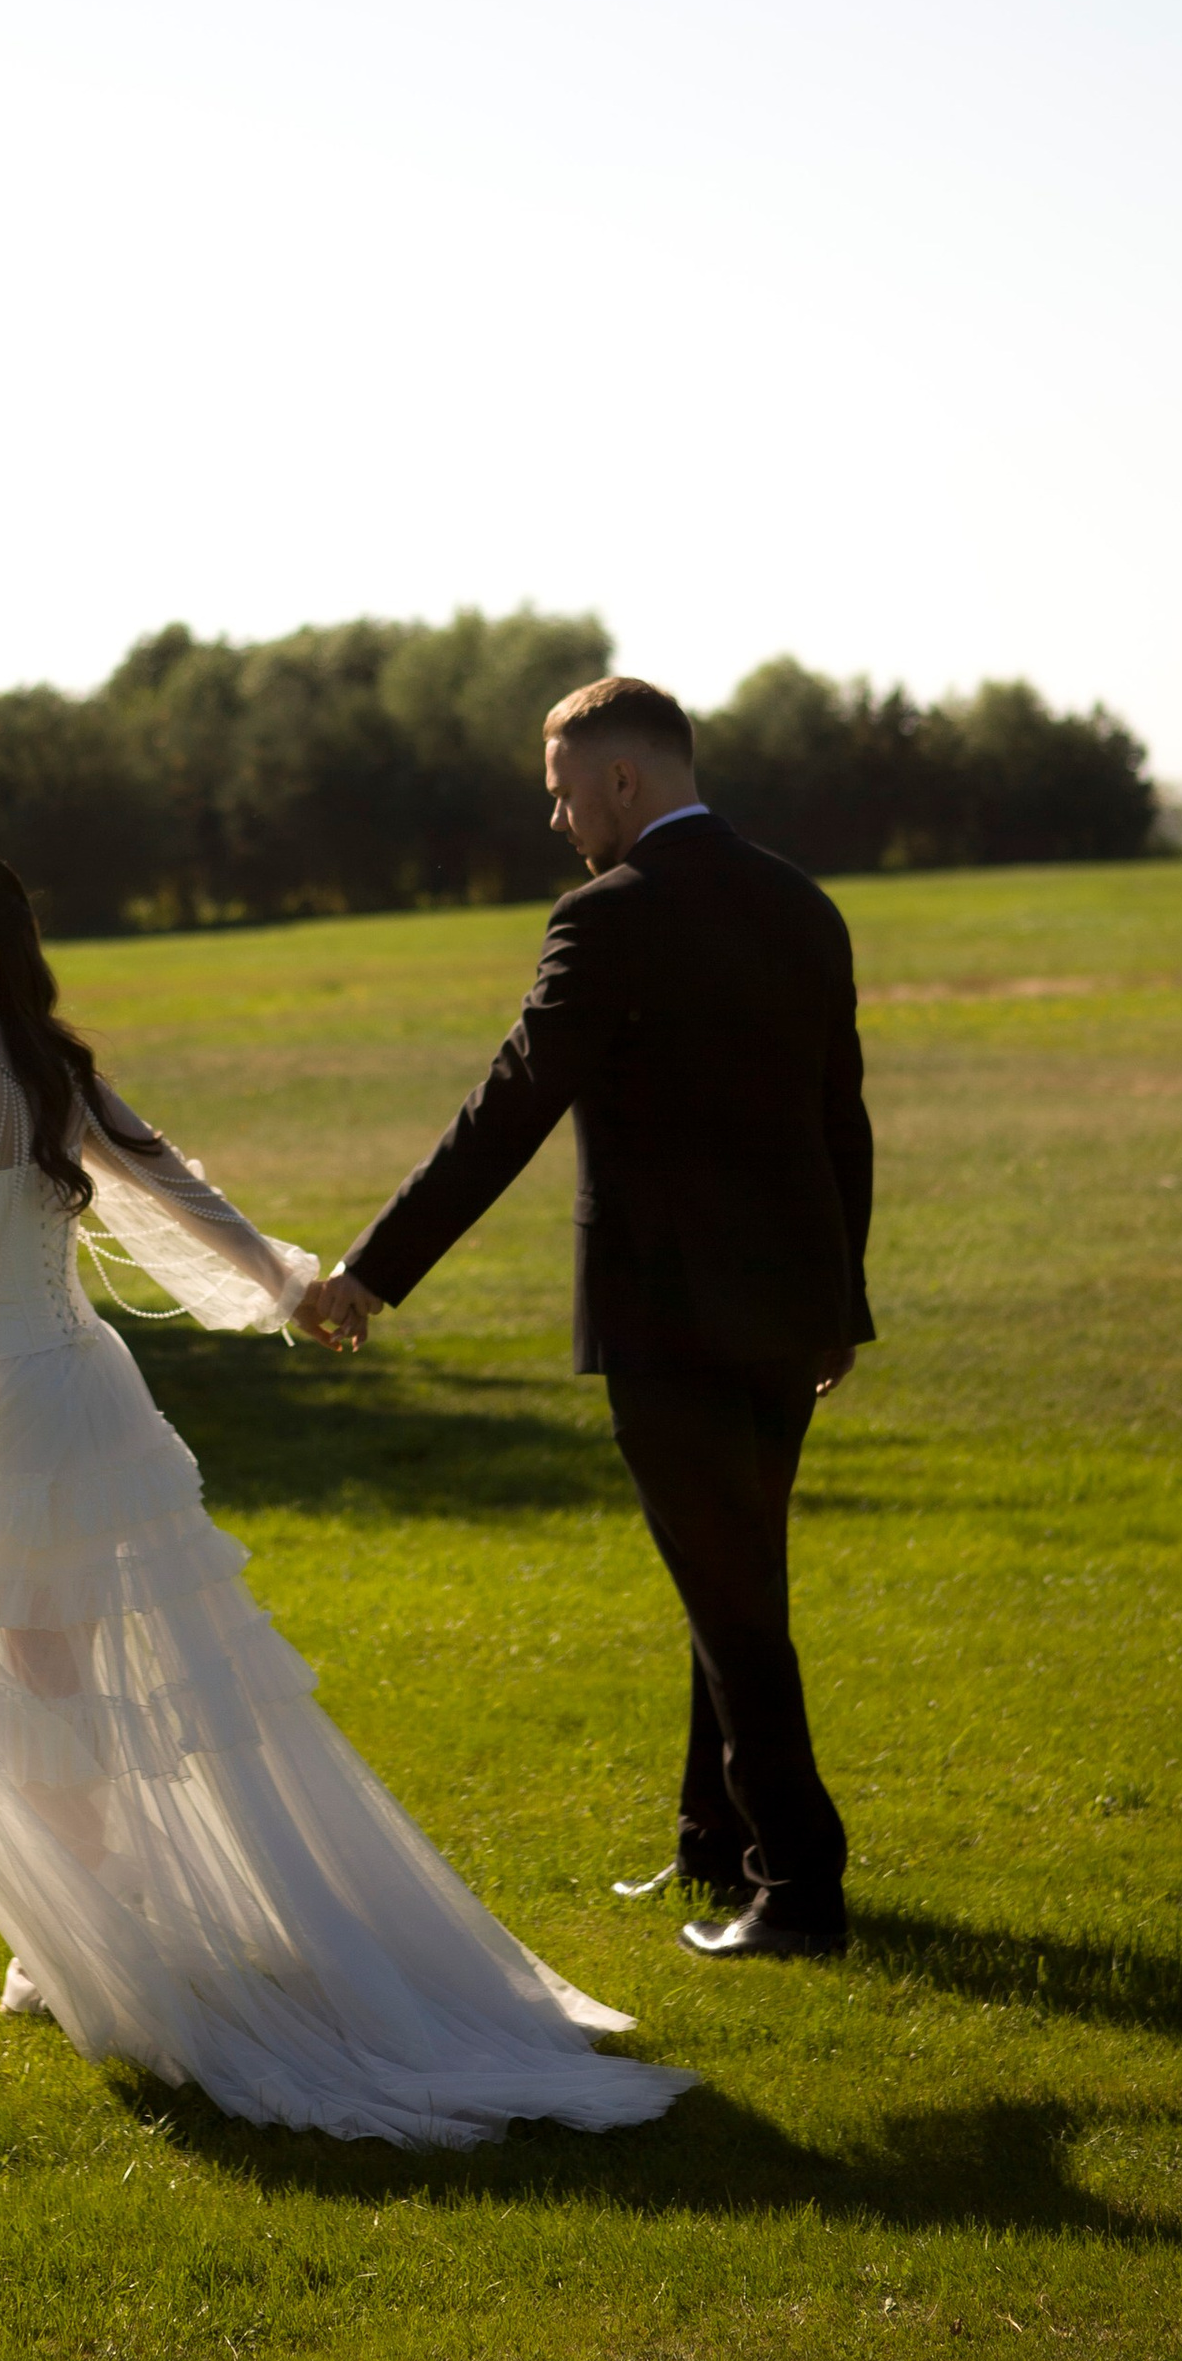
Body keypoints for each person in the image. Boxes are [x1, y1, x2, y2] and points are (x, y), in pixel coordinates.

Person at [0, 842, 691, 2148]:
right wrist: (289, 1283)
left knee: (21, 1677)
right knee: (39, 1673)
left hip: (4, 1418)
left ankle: (83, 1946)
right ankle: (77, 1938)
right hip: (78, 1396)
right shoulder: (45, 1063)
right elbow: (169, 1184)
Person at [307, 678, 872, 1964]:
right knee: (725, 1576)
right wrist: (841, 1303)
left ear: (622, 780)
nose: (556, 817)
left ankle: (800, 1892)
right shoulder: (802, 900)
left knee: (735, 1604)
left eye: (563, 790)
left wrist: (374, 1271)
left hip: (670, 1316)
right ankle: (711, 1843)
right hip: (790, 1308)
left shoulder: (606, 917)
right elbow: (842, 1118)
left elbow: (510, 1106)